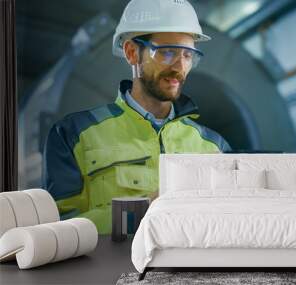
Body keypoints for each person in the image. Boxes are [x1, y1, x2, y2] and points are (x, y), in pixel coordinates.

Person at [42, 0, 231, 234]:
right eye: (167, 52)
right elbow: (59, 229)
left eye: (188, 55)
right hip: (110, 270)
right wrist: (143, 211)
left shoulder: (214, 146)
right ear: (132, 53)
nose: (179, 67)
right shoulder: (73, 134)